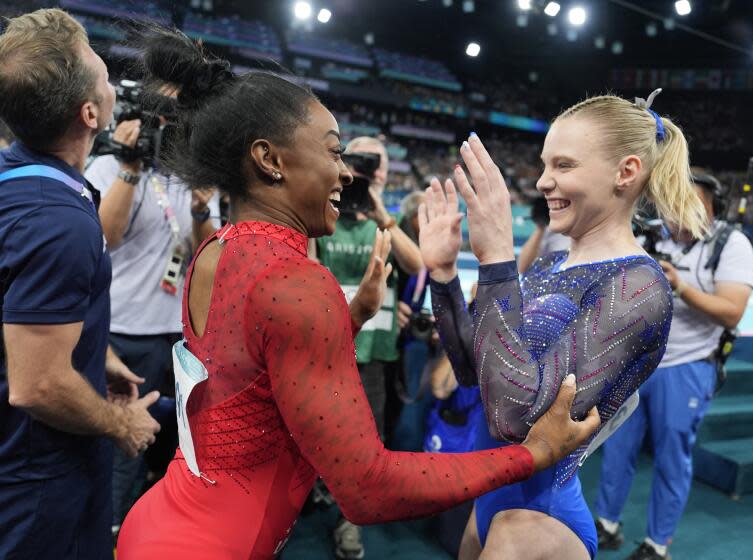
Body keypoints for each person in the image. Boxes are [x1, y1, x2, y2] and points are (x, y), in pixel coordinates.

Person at [115, 28, 600, 560]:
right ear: (269, 159)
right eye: (333, 151)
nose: (346, 173)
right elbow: (369, 488)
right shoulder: (296, 282)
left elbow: (252, 375)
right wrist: (533, 454)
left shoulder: (216, 248)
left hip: (166, 520)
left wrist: (350, 317)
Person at [420, 91, 708, 559]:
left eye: (563, 166)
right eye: (544, 164)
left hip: (538, 515)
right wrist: (444, 276)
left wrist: (497, 260)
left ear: (626, 172)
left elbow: (514, 418)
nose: (543, 181)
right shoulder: (551, 264)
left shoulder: (636, 287)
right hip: (495, 494)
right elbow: (478, 373)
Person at [0, 9, 160, 559]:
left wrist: (96, 351)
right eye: (104, 74)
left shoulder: (16, 177)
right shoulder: (57, 220)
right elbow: (38, 385)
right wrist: (121, 425)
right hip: (38, 472)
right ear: (90, 112)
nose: (117, 85)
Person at [594, 170, 753, 560]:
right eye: (670, 201)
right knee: (616, 447)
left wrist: (680, 287)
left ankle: (657, 544)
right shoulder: (653, 237)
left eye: (685, 201)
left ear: (708, 204)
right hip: (638, 362)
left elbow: (732, 312)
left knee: (672, 458)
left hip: (687, 365)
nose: (674, 212)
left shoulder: (731, 245)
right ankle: (607, 523)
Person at [85, 105, 219, 534]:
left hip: (175, 339)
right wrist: (130, 166)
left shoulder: (188, 179)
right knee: (118, 449)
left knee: (163, 451)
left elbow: (206, 258)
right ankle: (106, 530)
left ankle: (144, 532)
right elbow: (104, 236)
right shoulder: (107, 165)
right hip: (120, 333)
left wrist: (201, 210)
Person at [312, 136, 423, 559]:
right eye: (354, 158)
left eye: (371, 161)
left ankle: (349, 523)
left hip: (374, 356)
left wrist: (379, 210)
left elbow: (417, 265)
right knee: (315, 433)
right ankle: (317, 491)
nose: (363, 168)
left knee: (366, 442)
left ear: (383, 171)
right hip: (327, 350)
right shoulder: (325, 212)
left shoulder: (386, 221)